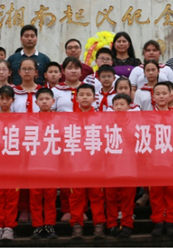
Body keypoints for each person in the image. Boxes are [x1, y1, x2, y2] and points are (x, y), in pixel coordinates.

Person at [69, 85, 106, 239]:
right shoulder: (69, 119)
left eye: (88, 95)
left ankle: (99, 225)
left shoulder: (100, 118)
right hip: (75, 164)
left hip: (95, 164)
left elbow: (104, 140)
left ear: (94, 98)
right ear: (76, 98)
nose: (84, 97)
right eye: (81, 95)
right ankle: (77, 224)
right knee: (76, 196)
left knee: (97, 195)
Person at [146, 81, 173, 239]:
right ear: (153, 96)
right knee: (156, 194)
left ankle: (171, 221)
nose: (161, 96)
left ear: (171, 95)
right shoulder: (147, 117)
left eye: (164, 93)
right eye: (157, 94)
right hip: (154, 163)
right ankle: (158, 221)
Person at [0, 86, 20, 241]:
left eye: (8, 98)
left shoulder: (18, 119)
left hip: (12, 163)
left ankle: (9, 226)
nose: (5, 101)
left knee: (11, 196)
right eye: (2, 98)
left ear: (13, 100)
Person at [29, 89, 58, 240]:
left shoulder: (59, 120)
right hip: (34, 166)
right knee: (35, 198)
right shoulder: (31, 120)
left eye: (48, 98)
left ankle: (50, 224)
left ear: (53, 101)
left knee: (50, 198)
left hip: (52, 166)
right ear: (36, 102)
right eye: (41, 99)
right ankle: (37, 225)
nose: (45, 101)